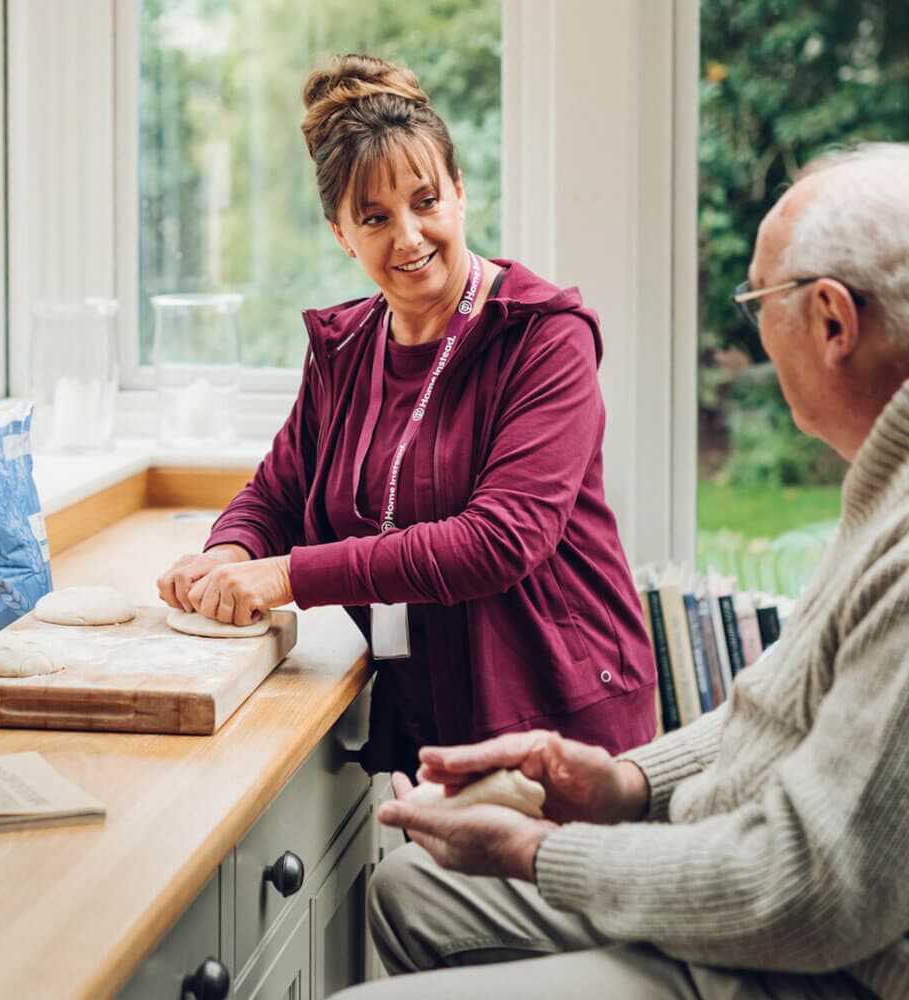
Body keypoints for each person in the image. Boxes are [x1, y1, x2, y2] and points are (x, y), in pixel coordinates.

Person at [331, 143, 909, 999]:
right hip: (751, 878)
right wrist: (625, 784)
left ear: (831, 321)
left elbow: (812, 890)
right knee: (413, 890)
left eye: (757, 300)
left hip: (818, 965)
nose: (752, 327)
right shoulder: (882, 482)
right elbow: (796, 706)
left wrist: (541, 851)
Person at [156, 54, 657, 776]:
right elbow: (279, 492)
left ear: (459, 193)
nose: (410, 237)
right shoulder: (346, 346)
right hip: (431, 716)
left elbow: (499, 541)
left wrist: (287, 577)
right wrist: (228, 554)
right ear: (340, 234)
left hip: (561, 720)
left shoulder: (545, 336)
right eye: (375, 218)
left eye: (426, 202)